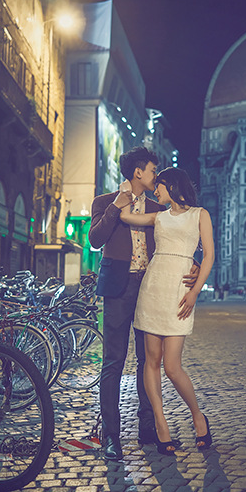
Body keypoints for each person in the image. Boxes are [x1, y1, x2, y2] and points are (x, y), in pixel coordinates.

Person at [87, 147, 198, 461]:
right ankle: (111, 436)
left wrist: (194, 266)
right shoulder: (104, 202)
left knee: (149, 360)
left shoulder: (157, 208)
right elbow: (95, 239)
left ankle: (147, 427)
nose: (156, 174)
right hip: (118, 289)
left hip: (153, 289)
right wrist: (116, 207)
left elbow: (182, 237)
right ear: (138, 172)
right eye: (152, 169)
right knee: (113, 362)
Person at [118, 166, 214, 455]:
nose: (155, 190)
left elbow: (208, 254)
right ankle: (161, 425)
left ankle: (198, 416)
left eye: (159, 185)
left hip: (179, 292)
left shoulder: (200, 214)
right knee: (151, 360)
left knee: (172, 366)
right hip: (153, 289)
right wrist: (124, 193)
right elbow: (124, 215)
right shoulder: (158, 216)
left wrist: (195, 291)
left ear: (172, 186)